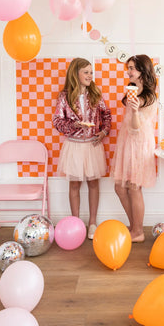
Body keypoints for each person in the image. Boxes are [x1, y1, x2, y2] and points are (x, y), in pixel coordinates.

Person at [53, 57, 111, 239]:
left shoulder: (95, 94)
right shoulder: (65, 96)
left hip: (93, 145)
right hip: (74, 146)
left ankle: (92, 222)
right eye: (86, 72)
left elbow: (107, 114)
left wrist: (103, 132)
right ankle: (75, 222)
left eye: (91, 72)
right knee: (75, 184)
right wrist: (75, 126)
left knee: (94, 183)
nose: (90, 75)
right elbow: (57, 121)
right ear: (75, 73)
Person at [111, 54, 158, 243]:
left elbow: (137, 128)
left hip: (139, 144)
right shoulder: (132, 90)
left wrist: (136, 110)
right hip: (127, 142)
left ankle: (137, 230)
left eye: (132, 68)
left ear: (142, 71)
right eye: (128, 67)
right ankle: (134, 228)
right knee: (120, 187)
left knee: (133, 187)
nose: (128, 71)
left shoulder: (148, 97)